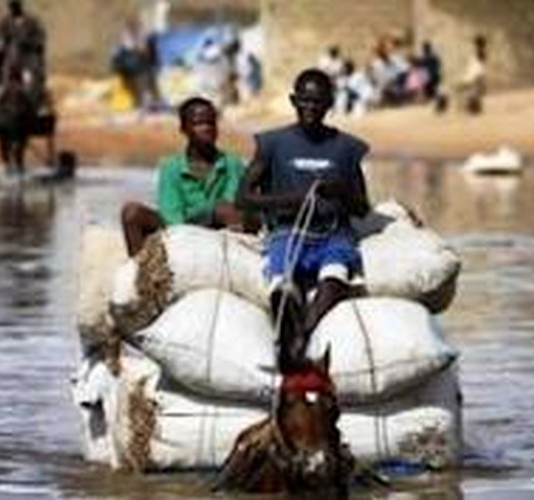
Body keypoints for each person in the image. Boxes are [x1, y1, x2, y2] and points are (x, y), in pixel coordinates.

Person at [237, 68, 370, 372]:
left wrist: (341, 190)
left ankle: (303, 336)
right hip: (288, 232)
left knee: (334, 280)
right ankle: (286, 340)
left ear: (330, 104)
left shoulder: (346, 148)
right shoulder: (272, 144)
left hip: (332, 235)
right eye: (305, 101)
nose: (311, 107)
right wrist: (289, 201)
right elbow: (243, 198)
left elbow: (362, 208)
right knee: (282, 288)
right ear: (293, 101)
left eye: (318, 101)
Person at [120, 97, 250, 256]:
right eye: (198, 124)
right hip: (180, 228)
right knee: (131, 212)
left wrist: (217, 213)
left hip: (219, 229)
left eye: (211, 123)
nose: (206, 129)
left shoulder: (231, 163)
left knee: (230, 210)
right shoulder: (171, 166)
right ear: (184, 129)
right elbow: (171, 216)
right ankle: (140, 272)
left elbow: (231, 205)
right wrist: (208, 214)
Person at [0, 0, 46, 104]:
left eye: (16, 4)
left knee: (31, 82)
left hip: (28, 59)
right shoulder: (4, 23)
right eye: (12, 5)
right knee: (3, 83)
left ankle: (37, 103)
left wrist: (29, 43)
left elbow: (40, 38)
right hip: (10, 59)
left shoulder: (31, 22)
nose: (14, 7)